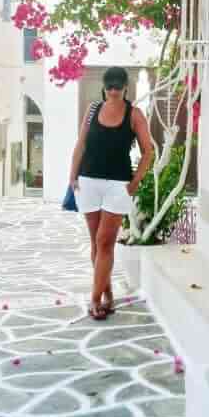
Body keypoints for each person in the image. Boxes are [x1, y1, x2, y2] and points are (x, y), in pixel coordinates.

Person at [69, 67, 155, 320]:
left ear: (126, 88)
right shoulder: (93, 109)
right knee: (96, 242)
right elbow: (80, 144)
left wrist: (135, 182)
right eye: (109, 85)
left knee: (105, 241)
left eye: (118, 85)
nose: (114, 90)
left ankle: (95, 300)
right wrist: (72, 175)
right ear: (104, 87)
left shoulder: (134, 114)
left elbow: (148, 151)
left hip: (118, 185)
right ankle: (107, 294)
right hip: (88, 181)